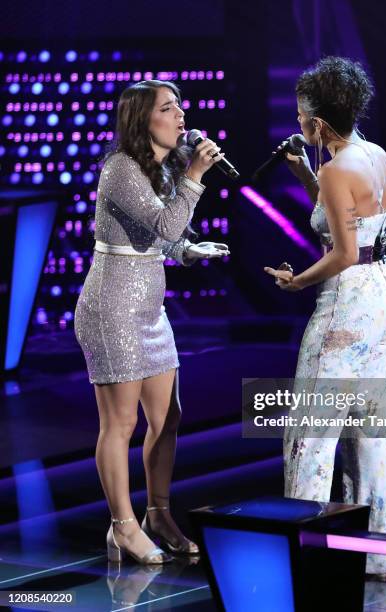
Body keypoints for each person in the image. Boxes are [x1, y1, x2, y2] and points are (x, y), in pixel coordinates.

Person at [74, 80, 229, 565]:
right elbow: (166, 223)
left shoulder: (160, 169)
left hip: (149, 310)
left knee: (168, 419)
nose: (182, 115)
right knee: (119, 424)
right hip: (112, 308)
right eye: (169, 108)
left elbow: (162, 235)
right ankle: (121, 527)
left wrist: (187, 250)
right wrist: (197, 174)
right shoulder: (120, 168)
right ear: (143, 121)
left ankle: (157, 514)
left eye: (181, 106)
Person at [264, 56, 386, 580]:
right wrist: (302, 169)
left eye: (302, 119)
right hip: (384, 297)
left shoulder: (336, 166)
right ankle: (377, 553)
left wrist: (298, 281)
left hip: (346, 301)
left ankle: (299, 557)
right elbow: (346, 217)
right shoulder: (374, 155)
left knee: (310, 433)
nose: (299, 126)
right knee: (369, 430)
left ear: (318, 123)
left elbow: (342, 252)